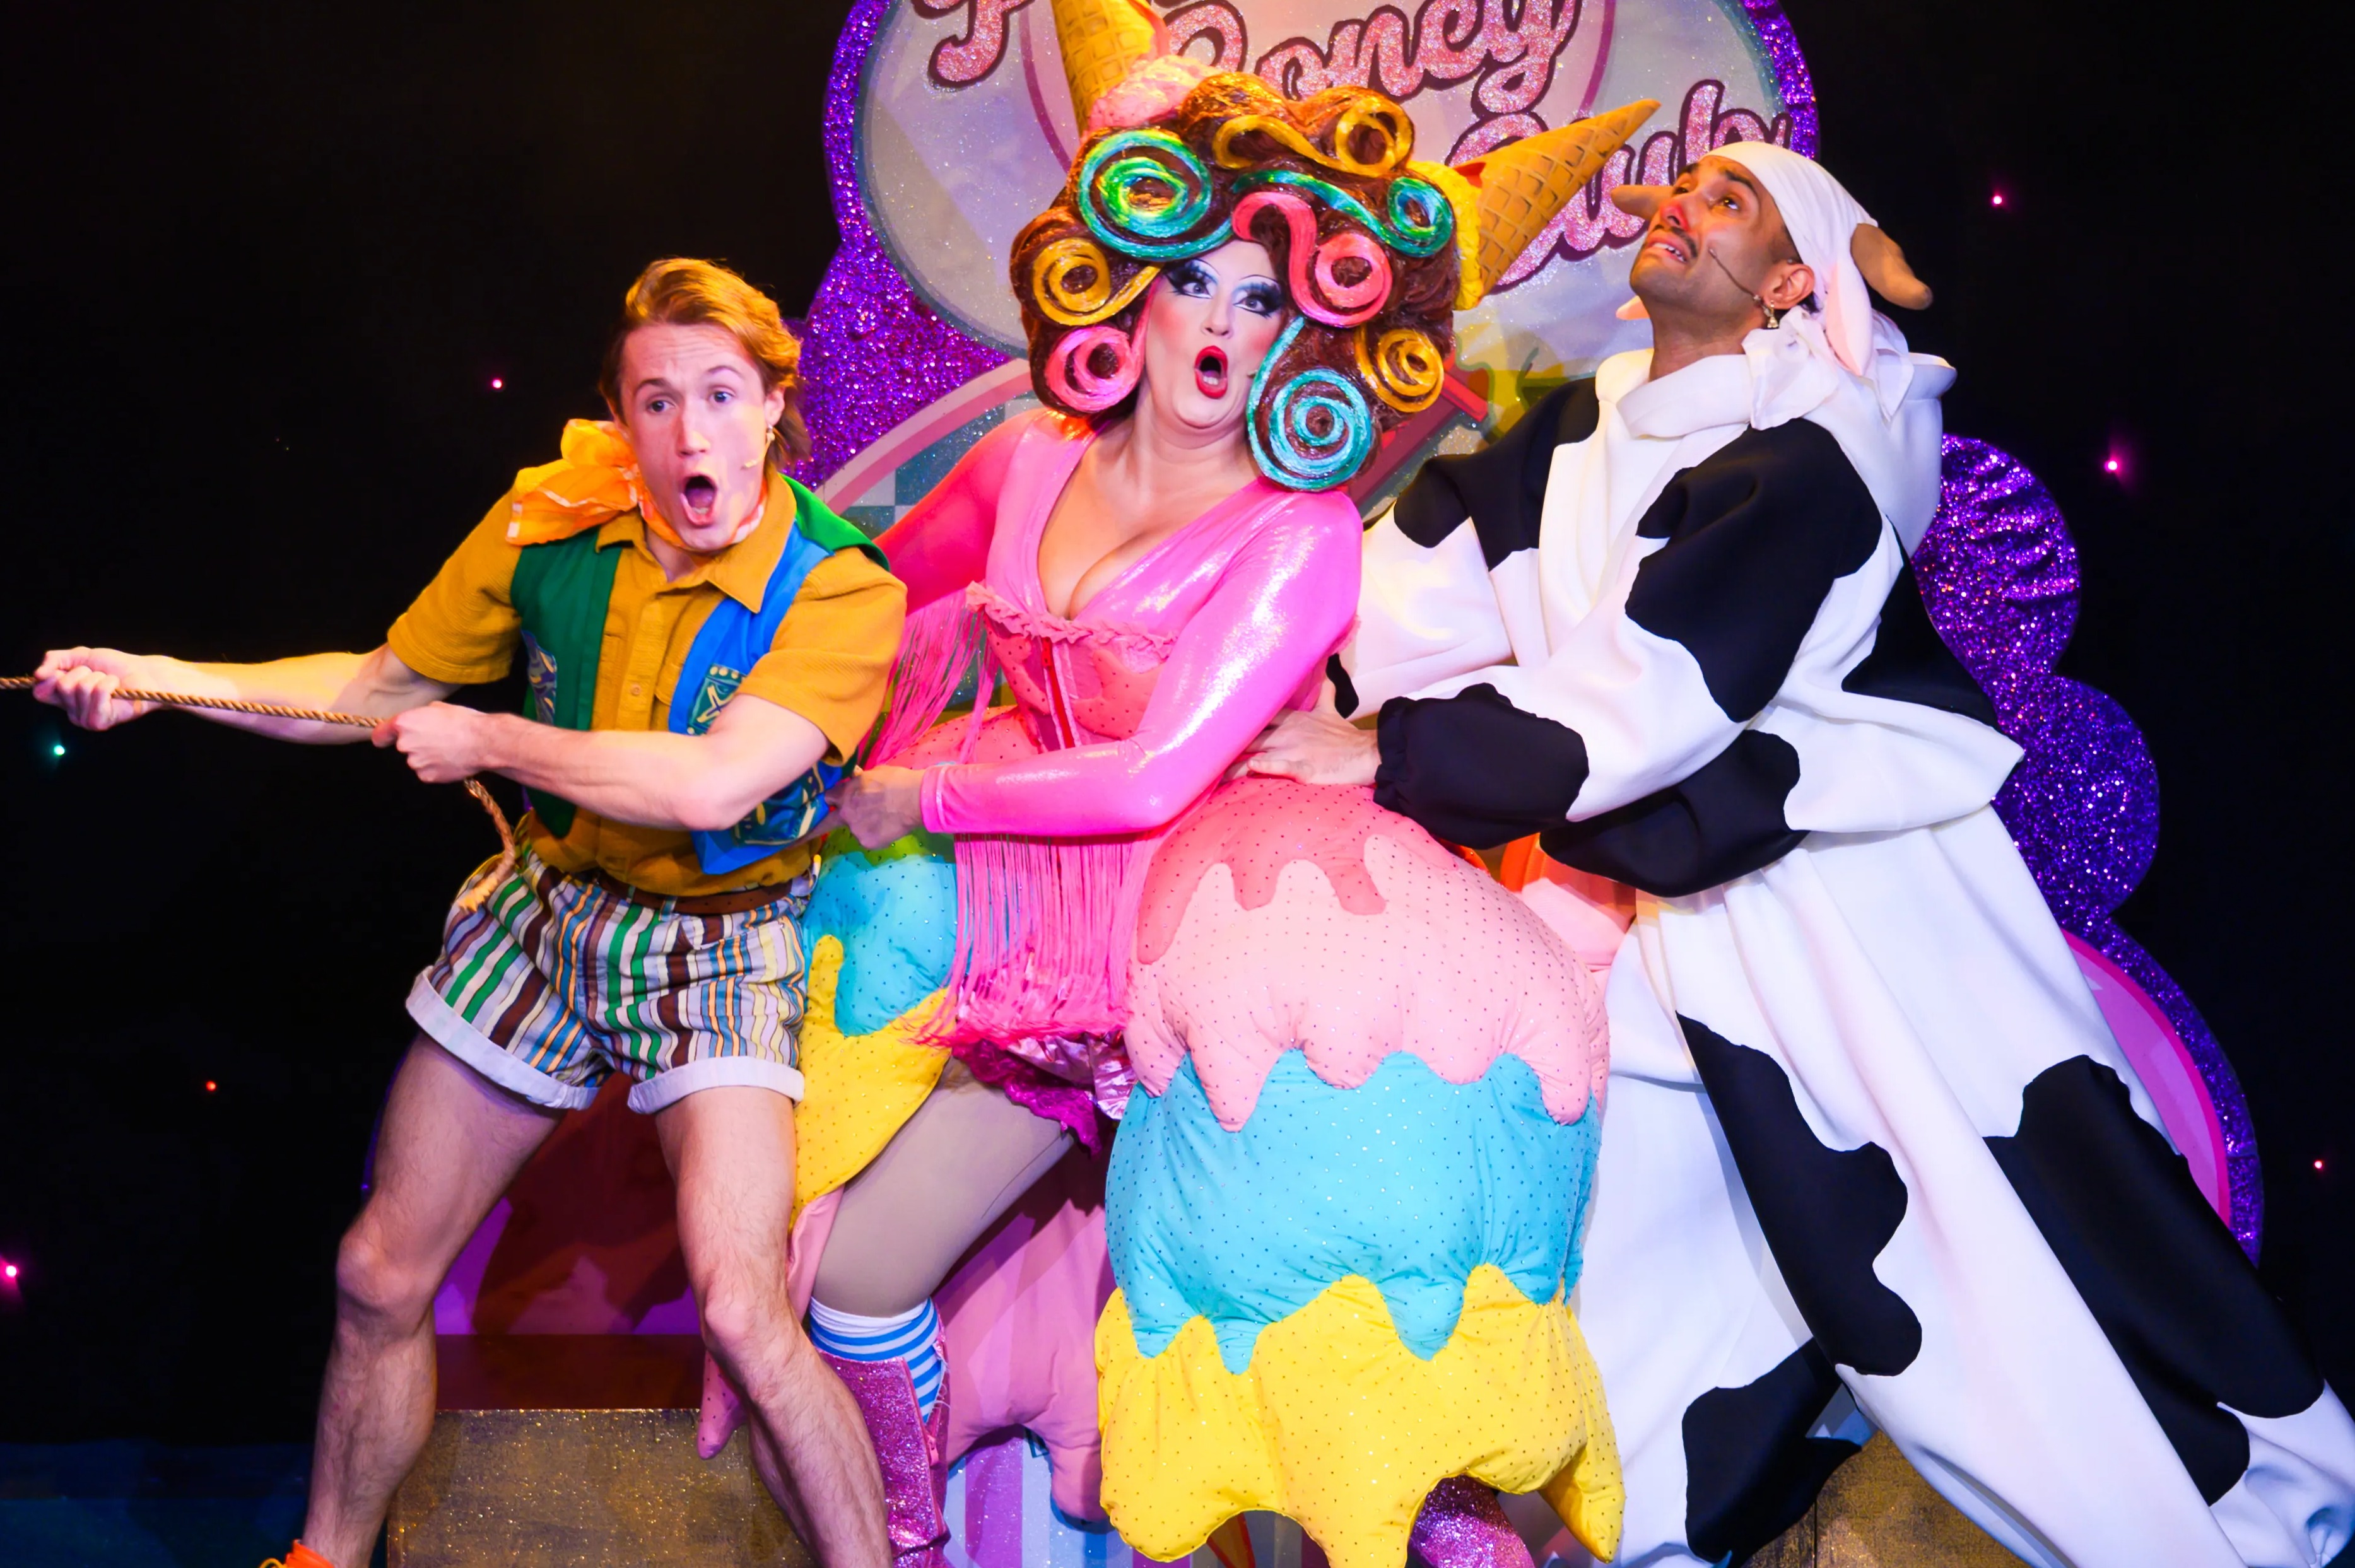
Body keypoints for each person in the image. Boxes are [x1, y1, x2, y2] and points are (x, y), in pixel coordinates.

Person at [1245, 140, 2355, 1567]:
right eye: (1676, 190)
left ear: (1789, 283)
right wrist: (1250, 670)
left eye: (1728, 202)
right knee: (1633, 1254)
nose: (1675, 212)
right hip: (1678, 928)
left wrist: (1392, 754)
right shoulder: (1582, 429)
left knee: (2008, 1253)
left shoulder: (1823, 451)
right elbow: (1401, 589)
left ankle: (2241, 1514)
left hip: (1862, 911)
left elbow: (1659, 685)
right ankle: (1621, 1520)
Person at [791, 5, 1650, 1562]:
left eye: (1258, 299)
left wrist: (922, 802)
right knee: (851, 1279)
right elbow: (853, 617)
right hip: (1023, 947)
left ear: (1303, 335)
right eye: (1193, 277)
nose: (1214, 323)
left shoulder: (1297, 532)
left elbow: (1152, 778)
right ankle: (907, 1538)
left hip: (1194, 955)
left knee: (1284, 1376)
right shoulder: (1029, 458)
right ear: (1136, 276)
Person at [36, 259, 908, 1568]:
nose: (690, 434)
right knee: (378, 1272)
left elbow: (712, 780)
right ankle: (320, 1559)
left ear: (775, 407)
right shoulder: (549, 521)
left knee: (742, 1309)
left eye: (722, 395)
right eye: (655, 402)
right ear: (620, 424)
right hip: (550, 906)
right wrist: (158, 679)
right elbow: (374, 685)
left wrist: (490, 735)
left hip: (719, 939)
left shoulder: (843, 589)